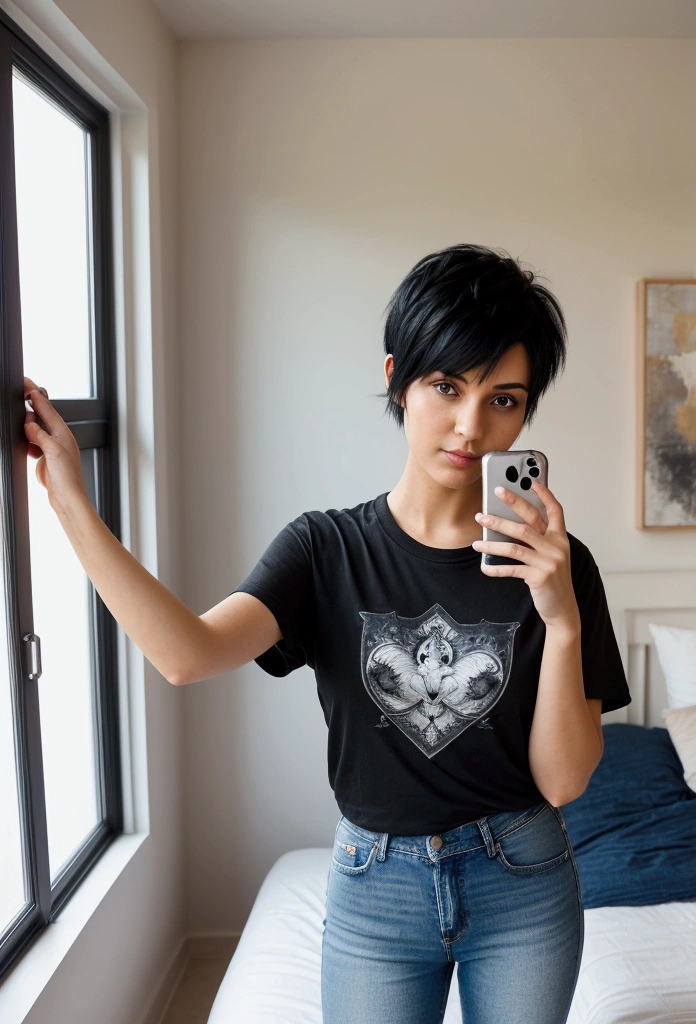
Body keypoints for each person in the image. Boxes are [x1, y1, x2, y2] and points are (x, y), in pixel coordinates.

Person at [24, 242, 631, 1024]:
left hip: (523, 878)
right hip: (375, 887)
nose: (471, 425)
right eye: (446, 386)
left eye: (504, 399)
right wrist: (70, 498)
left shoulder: (558, 563)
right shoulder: (325, 550)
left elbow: (564, 783)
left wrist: (560, 617)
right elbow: (185, 655)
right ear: (395, 380)